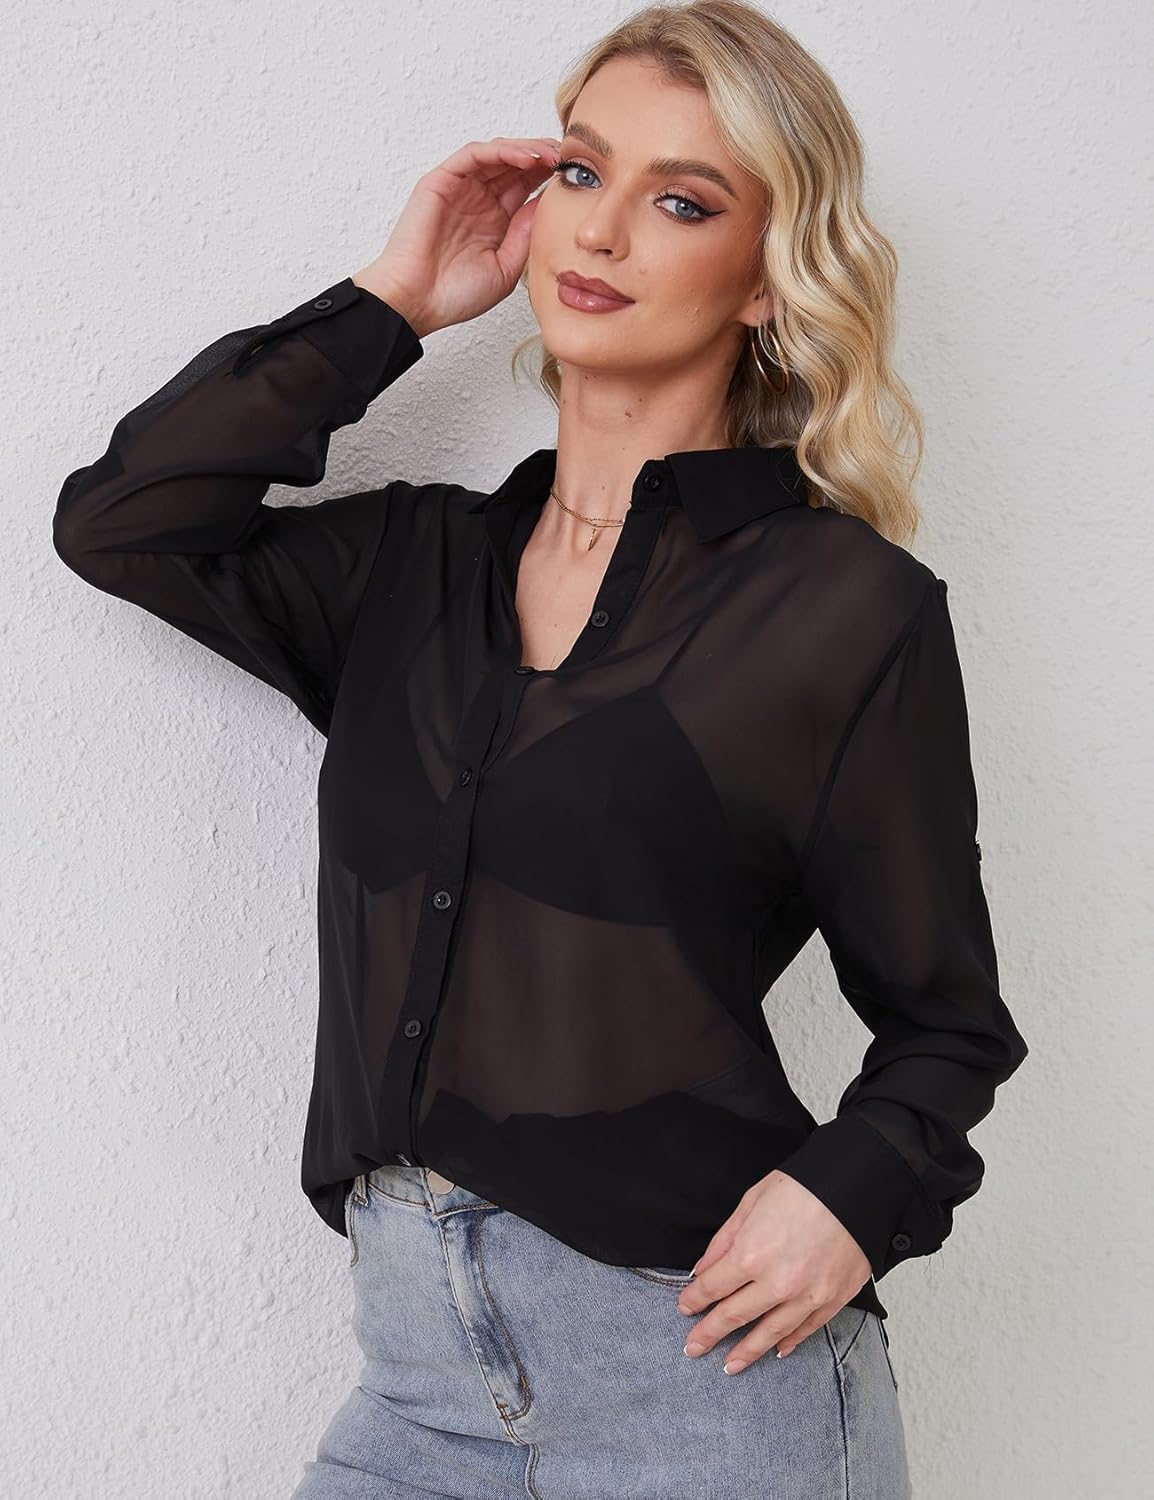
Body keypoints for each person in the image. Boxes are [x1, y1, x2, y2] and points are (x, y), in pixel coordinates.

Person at [53, 2, 1029, 1495]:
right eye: (582, 171)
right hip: (416, 1386)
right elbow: (122, 524)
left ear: (769, 279)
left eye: (682, 202)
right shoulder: (409, 571)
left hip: (703, 1384)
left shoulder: (840, 611)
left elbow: (947, 1023)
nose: (604, 230)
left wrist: (850, 1197)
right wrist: (392, 300)